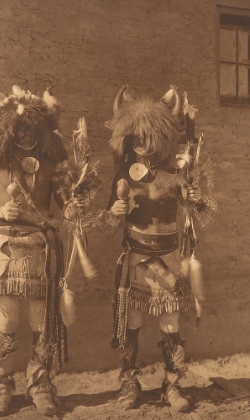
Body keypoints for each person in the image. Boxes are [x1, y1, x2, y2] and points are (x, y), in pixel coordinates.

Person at [0, 85, 86, 417]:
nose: (27, 135)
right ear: (8, 130)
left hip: (40, 247)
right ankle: (2, 383)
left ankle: (40, 384)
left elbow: (67, 203)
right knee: (7, 319)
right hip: (5, 246)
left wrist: (74, 207)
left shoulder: (50, 165)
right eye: (21, 129)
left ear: (42, 130)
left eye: (33, 129)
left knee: (40, 320)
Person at [106, 85, 202, 412]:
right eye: (137, 137)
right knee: (130, 324)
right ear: (129, 139)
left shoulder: (174, 176)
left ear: (161, 138)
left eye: (149, 137)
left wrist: (196, 200)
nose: (142, 144)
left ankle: (171, 386)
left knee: (170, 326)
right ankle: (129, 384)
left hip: (168, 260)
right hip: (135, 259)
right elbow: (106, 219)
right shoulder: (124, 175)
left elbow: (203, 208)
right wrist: (114, 212)